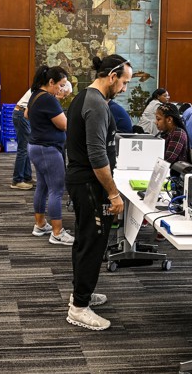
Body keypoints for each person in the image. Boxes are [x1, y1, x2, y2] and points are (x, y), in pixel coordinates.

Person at [64, 54, 131, 331]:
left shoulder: (86, 96)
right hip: (89, 184)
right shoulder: (96, 105)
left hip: (84, 182)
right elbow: (97, 156)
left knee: (86, 238)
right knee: (93, 242)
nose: (125, 88)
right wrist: (114, 194)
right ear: (112, 77)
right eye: (124, 82)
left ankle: (82, 292)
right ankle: (79, 307)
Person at [26, 65, 74, 246]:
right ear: (51, 82)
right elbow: (65, 125)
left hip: (37, 147)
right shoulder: (48, 99)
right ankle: (57, 232)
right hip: (48, 149)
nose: (62, 89)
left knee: (43, 187)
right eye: (60, 85)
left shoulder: (35, 94)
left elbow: (26, 113)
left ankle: (40, 224)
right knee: (56, 189)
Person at [11, 89, 35, 190]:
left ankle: (27, 177)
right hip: (21, 114)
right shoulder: (42, 90)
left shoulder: (41, 87)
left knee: (26, 148)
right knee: (23, 149)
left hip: (21, 113)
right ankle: (17, 180)